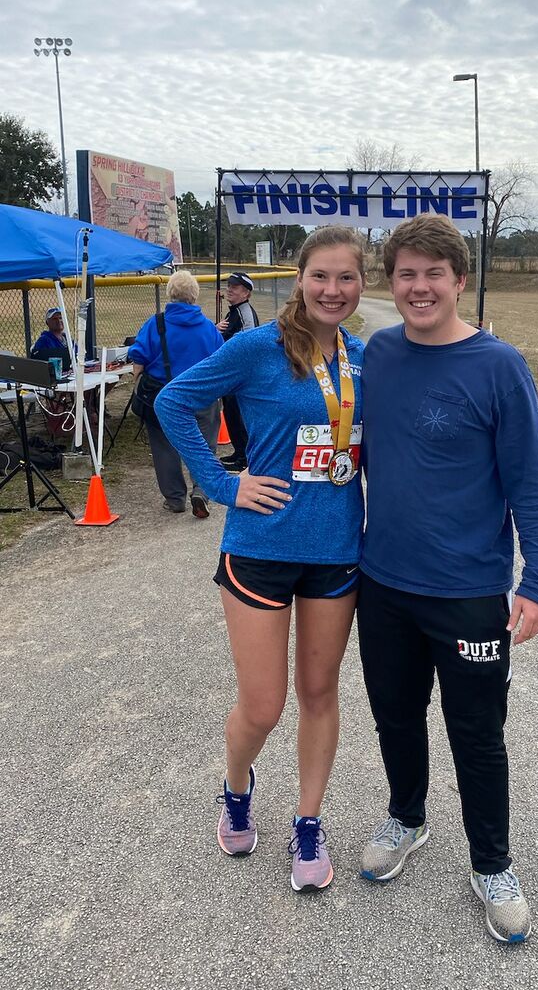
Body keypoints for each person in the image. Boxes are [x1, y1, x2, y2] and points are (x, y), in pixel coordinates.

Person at [357, 214, 538, 944]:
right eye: (405, 273)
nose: (418, 287)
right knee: (395, 716)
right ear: (392, 282)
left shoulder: (498, 365)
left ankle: (492, 864)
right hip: (382, 583)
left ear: (459, 281)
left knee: (478, 734)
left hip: (470, 592)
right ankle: (407, 817)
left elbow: (532, 480)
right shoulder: (376, 354)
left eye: (432, 274)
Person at [155, 226, 366, 893]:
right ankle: (237, 787)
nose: (333, 290)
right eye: (321, 276)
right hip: (261, 547)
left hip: (336, 552)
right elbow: (173, 402)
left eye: (347, 278)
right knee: (264, 704)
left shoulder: (364, 356)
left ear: (362, 285)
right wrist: (223, 484)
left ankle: (308, 823)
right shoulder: (256, 347)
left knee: (319, 693)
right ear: (300, 279)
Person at [129, 270, 223, 517]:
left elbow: (138, 358)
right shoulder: (208, 328)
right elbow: (221, 361)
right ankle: (202, 490)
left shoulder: (155, 324)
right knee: (204, 445)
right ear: (194, 295)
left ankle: (175, 499)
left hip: (164, 396)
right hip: (203, 396)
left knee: (164, 447)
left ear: (170, 293)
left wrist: (136, 380)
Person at [216, 271, 259, 471]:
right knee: (231, 414)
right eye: (229, 286)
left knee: (238, 415)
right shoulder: (233, 311)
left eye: (235, 287)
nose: (229, 290)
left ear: (246, 293)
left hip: (240, 376)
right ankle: (239, 452)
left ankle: (245, 458)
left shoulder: (244, 312)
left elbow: (249, 343)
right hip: (230, 375)